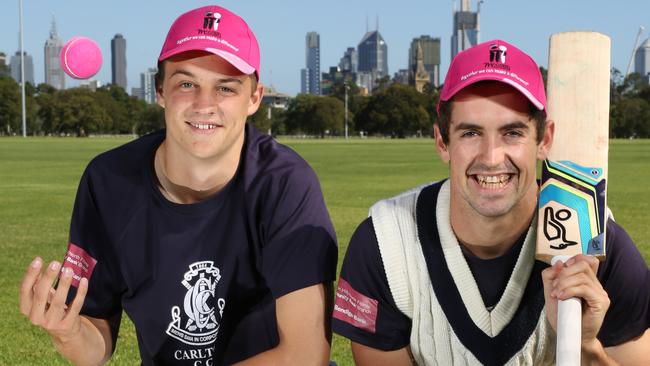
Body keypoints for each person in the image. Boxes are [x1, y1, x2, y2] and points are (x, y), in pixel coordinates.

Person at [19, 5, 337, 365]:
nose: (205, 105)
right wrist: (69, 331)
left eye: (226, 88)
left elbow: (305, 354)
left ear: (254, 98)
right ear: (159, 91)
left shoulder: (284, 184)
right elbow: (95, 344)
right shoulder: (108, 182)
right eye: (187, 83)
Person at [332, 39, 650, 365]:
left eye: (512, 132)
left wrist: (584, 346)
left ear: (545, 140)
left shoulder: (597, 242)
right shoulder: (386, 244)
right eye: (471, 133)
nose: (492, 157)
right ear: (442, 142)